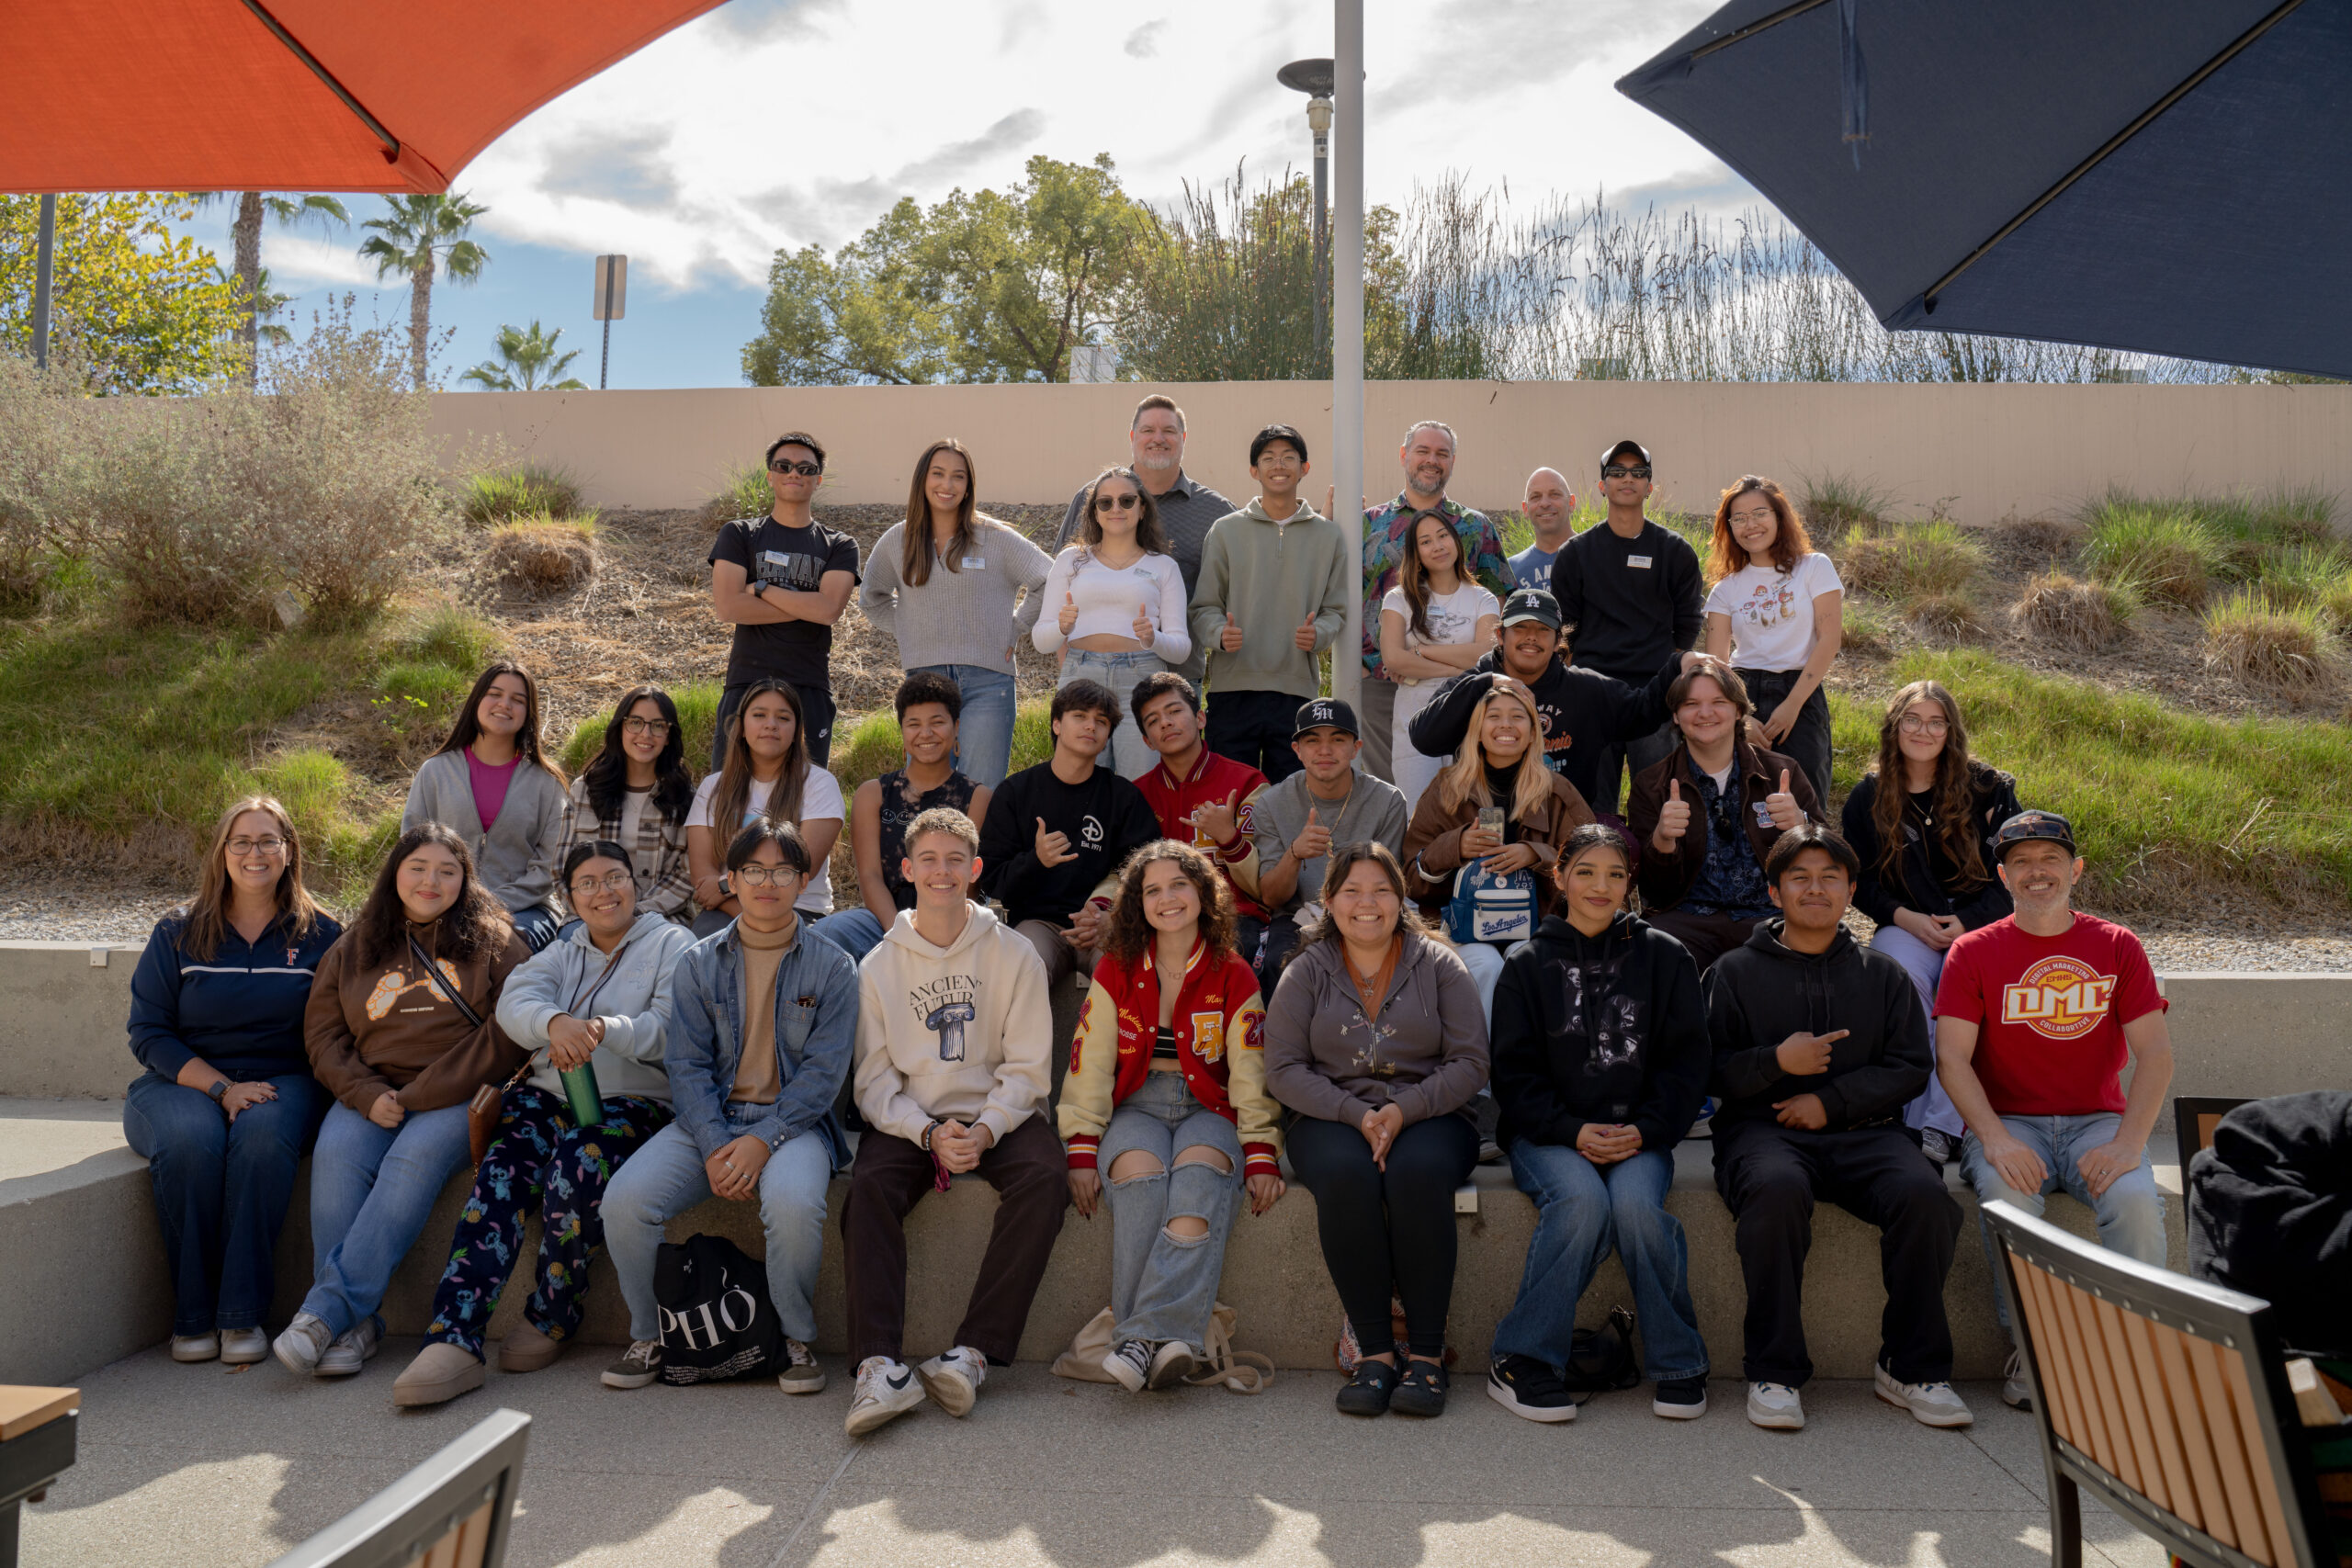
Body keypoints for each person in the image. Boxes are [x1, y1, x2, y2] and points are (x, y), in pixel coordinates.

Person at [392, 840, 694, 1406]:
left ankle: (554, 1314)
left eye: (614, 878)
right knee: (500, 1178)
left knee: (576, 1168)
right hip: (549, 1097)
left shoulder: (673, 943)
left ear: (635, 884)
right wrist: (555, 1022)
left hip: (634, 1101)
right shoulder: (562, 949)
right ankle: (454, 1335)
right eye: (587, 883)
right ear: (570, 896)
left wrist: (603, 1029)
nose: (603, 892)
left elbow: (670, 1027)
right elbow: (516, 1001)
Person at [1705, 825, 1969, 1433]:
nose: (1815, 888)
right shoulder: (1734, 972)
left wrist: (1833, 1101)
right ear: (1774, 892)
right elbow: (1706, 1067)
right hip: (1761, 1131)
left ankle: (1911, 1365)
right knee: (1774, 1192)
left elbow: (1911, 1065)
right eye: (1799, 877)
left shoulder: (1882, 974)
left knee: (1925, 1197)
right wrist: (1776, 1062)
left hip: (1866, 1132)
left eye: (1830, 877)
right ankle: (1774, 1371)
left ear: (1851, 890)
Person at [598, 820, 858, 1394]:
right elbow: (686, 1066)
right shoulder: (698, 962)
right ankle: (652, 1336)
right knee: (624, 1203)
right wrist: (717, 1143)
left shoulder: (834, 966)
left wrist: (764, 1138)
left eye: (783, 871)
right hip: (707, 1123)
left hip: (795, 1126)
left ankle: (795, 1336)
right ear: (732, 879)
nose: (769, 883)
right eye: (755, 871)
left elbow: (823, 1076)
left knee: (793, 1205)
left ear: (805, 878)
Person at [1932, 809, 2174, 1412]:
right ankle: (2034, 1355)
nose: (2037, 872)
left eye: (2050, 859)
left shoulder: (2117, 945)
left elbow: (2156, 1055)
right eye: (2022, 863)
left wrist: (2126, 1144)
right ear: (2003, 875)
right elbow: (1953, 1060)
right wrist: (1993, 1139)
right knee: (2009, 1199)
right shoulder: (1972, 950)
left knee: (2138, 1202)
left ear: (2076, 869)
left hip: (2099, 1120)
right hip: (2011, 1122)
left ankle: (2134, 1358)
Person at [274, 824, 532, 1380]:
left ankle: (325, 1314)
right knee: (336, 1158)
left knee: (410, 1161)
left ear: (465, 879)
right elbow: (323, 1035)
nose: (430, 881)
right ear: (396, 872)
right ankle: (354, 1327)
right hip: (370, 1095)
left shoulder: (496, 941)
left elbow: (508, 1033)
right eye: (418, 867)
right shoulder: (356, 943)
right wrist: (366, 1096)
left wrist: (419, 1095)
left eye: (447, 870)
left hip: (454, 1098)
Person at [842, 807, 1064, 1435]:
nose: (942, 872)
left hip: (998, 1110)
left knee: (1046, 1178)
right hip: (914, 1117)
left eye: (955, 860)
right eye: (929, 861)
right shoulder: (879, 965)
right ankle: (879, 1365)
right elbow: (875, 1081)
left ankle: (971, 1354)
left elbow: (1027, 1067)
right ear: (908, 869)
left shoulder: (1015, 953)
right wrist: (927, 1132)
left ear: (977, 868)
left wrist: (988, 1127)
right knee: (868, 1190)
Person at [1485, 824, 1710, 1424]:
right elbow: (1513, 1076)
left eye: (1615, 873)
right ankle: (1523, 1358)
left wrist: (1649, 1128)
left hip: (1640, 1134)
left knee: (1637, 1209)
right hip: (1551, 1134)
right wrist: (1571, 1130)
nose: (1600, 885)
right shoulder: (1526, 964)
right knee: (1583, 1202)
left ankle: (1680, 1360)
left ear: (1630, 882)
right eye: (1584, 871)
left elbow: (1687, 1064)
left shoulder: (1665, 957)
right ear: (1558, 877)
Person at [1264, 843, 1488, 1419]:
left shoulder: (1440, 965)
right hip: (1330, 1117)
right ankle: (1377, 1354)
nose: (1368, 904)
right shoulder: (1306, 970)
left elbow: (1469, 1062)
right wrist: (1354, 1114)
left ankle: (1429, 1360)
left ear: (1402, 898)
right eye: (1352, 892)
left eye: (1381, 890)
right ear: (1330, 902)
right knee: (1344, 1173)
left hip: (1432, 1116)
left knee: (1416, 1174)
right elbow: (1283, 1068)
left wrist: (1403, 1110)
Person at [126, 796, 340, 1367]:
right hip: (179, 1082)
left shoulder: (323, 935)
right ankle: (192, 1319)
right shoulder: (176, 932)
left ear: (289, 851)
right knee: (191, 1144)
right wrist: (221, 1088)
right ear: (221, 853)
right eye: (241, 841)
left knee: (263, 1139)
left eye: (269, 840)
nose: (255, 853)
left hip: (285, 1080)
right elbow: (149, 1033)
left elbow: (337, 1028)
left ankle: (240, 1314)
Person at [1059, 840, 1282, 1391]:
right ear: (1138, 904)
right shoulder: (1116, 969)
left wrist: (1260, 1153)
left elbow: (1250, 1075)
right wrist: (1082, 1148)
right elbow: (1089, 1063)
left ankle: (1139, 1340)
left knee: (1200, 1177)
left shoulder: (1234, 974)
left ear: (1204, 894)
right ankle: (1176, 1339)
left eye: (1179, 885)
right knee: (1139, 1181)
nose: (1168, 898)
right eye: (1152, 890)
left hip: (1211, 1107)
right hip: (1136, 1106)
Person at [1840, 681, 2026, 1163]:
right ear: (1894, 725)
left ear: (1951, 730)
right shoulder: (1868, 797)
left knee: (1959, 990)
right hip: (1908, 924)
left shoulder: (1989, 789)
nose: (1924, 731)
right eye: (1912, 720)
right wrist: (1906, 918)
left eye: (1936, 722)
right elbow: (1858, 879)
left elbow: (2015, 871)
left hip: (1981, 926)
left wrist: (1964, 924)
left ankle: (1941, 1126)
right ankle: (1907, 1114)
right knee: (1892, 970)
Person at [1405, 589, 1690, 827]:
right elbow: (1424, 737)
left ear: (1558, 641)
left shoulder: (1587, 690)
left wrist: (1679, 664)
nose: (1531, 637)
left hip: (1561, 836)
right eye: (1520, 628)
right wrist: (1484, 684)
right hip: (1483, 833)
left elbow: (1644, 711)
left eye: (1543, 630)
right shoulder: (1473, 686)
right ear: (1501, 636)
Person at [858, 438, 1052, 788]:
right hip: (923, 683)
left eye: (958, 477)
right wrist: (909, 626)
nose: (947, 485)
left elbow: (1049, 579)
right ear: (922, 480)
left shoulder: (996, 539)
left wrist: (1017, 626)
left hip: (989, 684)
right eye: (938, 474)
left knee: (980, 793)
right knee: (926, 791)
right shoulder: (897, 541)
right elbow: (871, 599)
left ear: (968, 487)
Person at [1400, 674, 1595, 1017]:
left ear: (1534, 732)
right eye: (1494, 716)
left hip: (1540, 925)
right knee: (1486, 965)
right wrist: (1455, 846)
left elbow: (1593, 864)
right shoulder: (1447, 788)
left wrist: (1537, 856)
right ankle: (1482, 1067)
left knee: (1527, 958)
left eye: (1518, 717)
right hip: (1462, 930)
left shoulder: (1556, 790)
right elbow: (1410, 879)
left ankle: (1525, 1065)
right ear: (1476, 729)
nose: (1506, 725)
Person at [1626, 657, 1820, 972]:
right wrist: (1661, 842)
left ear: (1739, 711)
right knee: (1648, 951)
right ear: (1675, 715)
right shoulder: (1652, 785)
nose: (1705, 713)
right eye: (1691, 704)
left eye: (1718, 702)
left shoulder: (1781, 771)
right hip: (1686, 919)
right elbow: (1653, 893)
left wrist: (1802, 826)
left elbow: (1830, 861)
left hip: (1768, 916)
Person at [976, 680, 1159, 1005]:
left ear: (1106, 738)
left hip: (1104, 923)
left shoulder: (1123, 798)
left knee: (1125, 972)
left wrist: (1111, 917)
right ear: (1056, 724)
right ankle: (1021, 1058)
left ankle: (1112, 1057)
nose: (1091, 726)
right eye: (1080, 716)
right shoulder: (1016, 792)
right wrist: (1037, 860)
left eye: (1101, 722)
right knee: (1022, 970)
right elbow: (992, 878)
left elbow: (1147, 872)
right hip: (1039, 923)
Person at [1187, 423, 1349, 782]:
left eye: (1289, 458)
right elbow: (1203, 607)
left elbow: (1336, 609)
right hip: (1232, 690)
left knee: (1288, 798)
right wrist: (1218, 633)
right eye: (1269, 458)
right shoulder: (1226, 530)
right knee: (1227, 796)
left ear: (1305, 468)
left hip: (1296, 692)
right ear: (1254, 470)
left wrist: (1319, 633)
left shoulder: (1329, 536)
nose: (1279, 465)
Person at [1551, 439, 1704, 814]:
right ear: (1602, 485)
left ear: (1650, 487)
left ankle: (1656, 873)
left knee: (1656, 805)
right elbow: (1564, 631)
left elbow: (1687, 625)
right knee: (1591, 810)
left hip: (1654, 696)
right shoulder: (1575, 554)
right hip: (1592, 696)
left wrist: (1669, 685)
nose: (1627, 479)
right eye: (1617, 472)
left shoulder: (1675, 551)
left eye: (1638, 473)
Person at [1355, 421, 1510, 785]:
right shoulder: (1367, 525)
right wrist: (1357, 668)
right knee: (1393, 789)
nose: (1431, 460)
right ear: (1404, 456)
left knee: (1466, 785)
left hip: (1463, 681)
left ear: (1453, 461)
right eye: (1423, 451)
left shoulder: (1475, 526)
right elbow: (1343, 596)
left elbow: (1498, 599)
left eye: (1441, 453)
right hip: (1382, 679)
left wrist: (1466, 667)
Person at [1053, 394, 1236, 687]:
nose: (1158, 438)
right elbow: (1059, 588)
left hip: (1179, 680)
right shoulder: (1094, 499)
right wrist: (1069, 669)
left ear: (1184, 438)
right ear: (1132, 437)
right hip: (1090, 676)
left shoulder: (1215, 512)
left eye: (1169, 431)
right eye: (1148, 430)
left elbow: (1236, 591)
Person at [707, 430, 861, 771]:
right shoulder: (740, 534)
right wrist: (808, 606)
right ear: (770, 475)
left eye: (805, 469)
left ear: (818, 480)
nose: (795, 473)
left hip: (809, 685)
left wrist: (761, 589)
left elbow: (829, 611)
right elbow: (729, 607)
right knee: (731, 800)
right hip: (747, 683)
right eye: (785, 465)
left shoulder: (840, 545)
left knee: (803, 801)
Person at [812, 671, 989, 964]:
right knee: (828, 933)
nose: (926, 734)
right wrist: (901, 934)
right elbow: (869, 876)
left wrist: (934, 934)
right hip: (884, 920)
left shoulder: (977, 797)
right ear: (902, 731)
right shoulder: (874, 794)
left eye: (937, 722)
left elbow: (968, 882)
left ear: (956, 727)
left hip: (953, 920)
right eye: (914, 724)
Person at [1034, 467, 1194, 779]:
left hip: (1143, 677)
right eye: (1105, 503)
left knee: (1139, 782)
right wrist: (1062, 629)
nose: (1116, 509)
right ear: (1094, 511)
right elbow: (1042, 641)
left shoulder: (1163, 566)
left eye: (1126, 500)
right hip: (1081, 675)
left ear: (1142, 507)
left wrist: (1153, 639)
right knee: (1080, 779)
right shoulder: (1070, 560)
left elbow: (1181, 649)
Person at [402, 660, 569, 952]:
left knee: (499, 946)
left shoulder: (547, 783)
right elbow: (410, 847)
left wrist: (489, 904)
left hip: (525, 911)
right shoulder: (436, 772)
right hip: (440, 901)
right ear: (477, 700)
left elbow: (551, 867)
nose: (505, 704)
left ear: (528, 714)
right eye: (495, 694)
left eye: (518, 700)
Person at [1249, 698, 1410, 987]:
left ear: (1355, 748)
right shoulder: (1271, 803)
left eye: (1337, 739)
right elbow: (1272, 898)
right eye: (1312, 740)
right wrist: (1295, 853)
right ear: (1297, 750)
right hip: (1298, 915)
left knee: (1412, 957)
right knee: (1279, 962)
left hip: (1369, 909)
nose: (1325, 750)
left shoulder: (1387, 800)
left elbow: (1391, 886)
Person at [1702, 476, 1843, 806]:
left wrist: (1792, 705)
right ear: (1729, 528)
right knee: (1744, 806)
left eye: (1759, 513)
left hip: (1800, 692)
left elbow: (1829, 640)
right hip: (1742, 692)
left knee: (1804, 805)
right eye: (1738, 518)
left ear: (1779, 516)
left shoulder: (1814, 568)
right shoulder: (1726, 589)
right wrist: (1739, 716)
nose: (1750, 525)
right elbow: (1716, 664)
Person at [1131, 671, 1270, 969]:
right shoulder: (1136, 795)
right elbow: (1123, 873)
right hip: (1161, 915)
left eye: (1174, 711)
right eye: (1153, 721)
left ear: (1200, 719)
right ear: (1147, 741)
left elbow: (1263, 888)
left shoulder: (1247, 783)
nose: (1165, 723)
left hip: (1235, 916)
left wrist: (1229, 838)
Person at [686, 678, 845, 937]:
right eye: (759, 715)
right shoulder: (712, 787)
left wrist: (725, 886)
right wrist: (744, 913)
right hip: (728, 909)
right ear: (741, 726)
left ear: (796, 731)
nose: (771, 724)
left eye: (783, 718)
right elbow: (702, 874)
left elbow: (803, 865)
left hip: (799, 910)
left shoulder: (819, 784)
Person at [1382, 509, 1503, 809]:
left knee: (1478, 810)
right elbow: (1394, 659)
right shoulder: (1398, 599)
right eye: (1425, 541)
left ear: (1456, 542)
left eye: (1442, 536)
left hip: (1472, 711)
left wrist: (1422, 651)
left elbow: (1485, 654)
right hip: (1415, 713)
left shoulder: (1482, 599)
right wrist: (1462, 667)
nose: (1437, 546)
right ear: (1416, 554)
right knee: (1418, 812)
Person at [557, 685, 699, 927]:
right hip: (589, 916)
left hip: (660, 919)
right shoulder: (586, 790)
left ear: (668, 737)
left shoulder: (686, 797)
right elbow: (561, 868)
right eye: (636, 722)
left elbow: (687, 875)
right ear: (620, 728)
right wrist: (600, 911)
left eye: (657, 725)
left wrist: (636, 914)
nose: (646, 734)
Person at [1507, 467, 1578, 592]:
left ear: (1571, 503)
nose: (1545, 503)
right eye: (1535, 497)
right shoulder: (1510, 571)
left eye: (1554, 495)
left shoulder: (1596, 558)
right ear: (1525, 509)